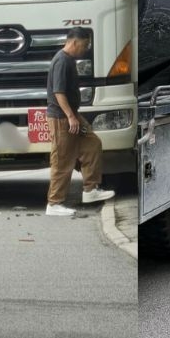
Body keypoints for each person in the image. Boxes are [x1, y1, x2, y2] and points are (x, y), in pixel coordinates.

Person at [45, 26, 114, 216]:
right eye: (84, 45)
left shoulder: (68, 60)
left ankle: (90, 190)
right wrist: (70, 117)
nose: (85, 49)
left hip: (72, 115)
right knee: (62, 160)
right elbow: (58, 93)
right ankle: (54, 203)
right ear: (74, 42)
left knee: (92, 143)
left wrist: (73, 116)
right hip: (61, 117)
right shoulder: (61, 61)